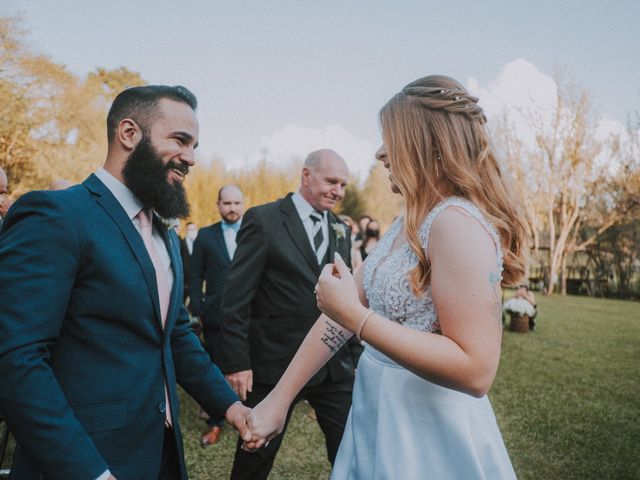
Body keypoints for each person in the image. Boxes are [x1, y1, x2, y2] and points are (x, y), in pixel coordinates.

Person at [244, 75, 528, 479]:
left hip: (425, 431)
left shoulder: (456, 223)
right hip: (376, 410)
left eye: (390, 138)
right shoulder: (408, 220)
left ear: (427, 146)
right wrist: (280, 399)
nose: (381, 152)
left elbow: (477, 369)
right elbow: (342, 312)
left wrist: (358, 320)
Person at [0, 85, 252, 480]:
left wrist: (231, 408)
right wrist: (92, 473)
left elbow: (175, 335)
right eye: (180, 140)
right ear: (129, 133)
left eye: (195, 145)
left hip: (160, 455)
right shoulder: (56, 215)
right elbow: (16, 361)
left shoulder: (164, 233)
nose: (191, 158)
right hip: (86, 461)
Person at [218, 149, 362, 480]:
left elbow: (348, 296)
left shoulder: (341, 228)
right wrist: (237, 362)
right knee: (254, 455)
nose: (338, 191)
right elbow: (237, 298)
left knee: (351, 451)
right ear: (306, 175)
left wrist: (353, 354)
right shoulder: (264, 219)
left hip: (332, 369)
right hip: (274, 364)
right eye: (331, 181)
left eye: (343, 185)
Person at [189, 184, 245, 446]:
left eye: (236, 203)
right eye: (227, 203)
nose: (232, 208)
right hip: (215, 316)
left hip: (249, 316)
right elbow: (194, 275)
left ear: (243, 204)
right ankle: (215, 422)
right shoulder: (205, 236)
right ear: (218, 204)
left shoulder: (253, 231)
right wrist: (198, 309)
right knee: (215, 369)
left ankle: (249, 415)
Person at [180, 221, 198, 303]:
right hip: (185, 277)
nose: (193, 231)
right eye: (190, 229)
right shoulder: (181, 243)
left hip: (196, 276)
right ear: (187, 230)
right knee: (183, 297)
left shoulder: (199, 243)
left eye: (194, 229)